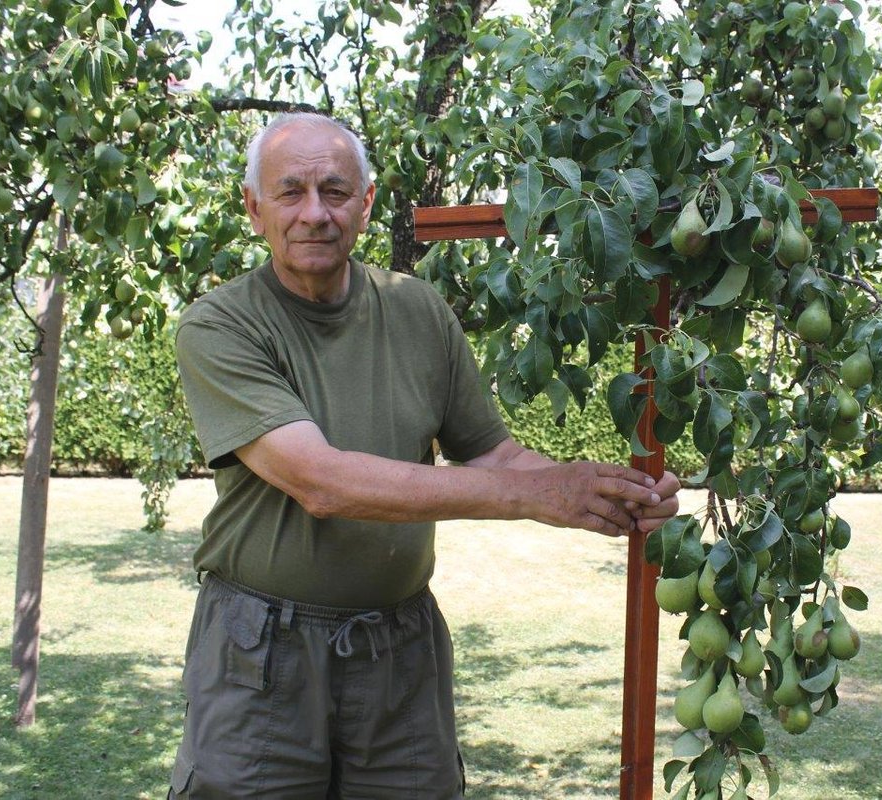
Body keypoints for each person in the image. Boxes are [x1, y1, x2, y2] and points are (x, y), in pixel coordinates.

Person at [166, 112, 681, 799]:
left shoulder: (417, 310)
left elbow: (493, 455)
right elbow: (322, 482)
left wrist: (600, 490)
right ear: (254, 209)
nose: (315, 214)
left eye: (336, 191)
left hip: (398, 651)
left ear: (368, 203)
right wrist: (533, 496)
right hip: (263, 656)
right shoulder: (220, 326)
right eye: (290, 193)